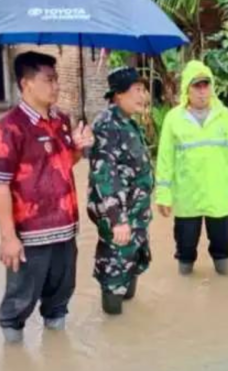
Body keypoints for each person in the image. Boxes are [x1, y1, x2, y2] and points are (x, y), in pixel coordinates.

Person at [0, 51, 94, 343]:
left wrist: (79, 147)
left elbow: (62, 164)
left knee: (60, 297)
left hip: (65, 227)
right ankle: (13, 353)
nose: (56, 86)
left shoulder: (61, 120)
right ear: (26, 84)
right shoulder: (6, 128)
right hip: (31, 234)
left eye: (56, 79)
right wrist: (8, 237)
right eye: (49, 80)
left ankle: (57, 351)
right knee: (19, 301)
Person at [155, 60, 228, 276]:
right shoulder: (173, 119)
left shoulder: (225, 116)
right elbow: (165, 160)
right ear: (187, 88)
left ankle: (223, 285)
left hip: (219, 195)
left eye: (206, 85)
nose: (202, 91)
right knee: (185, 250)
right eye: (197, 86)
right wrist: (163, 195)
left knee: (222, 249)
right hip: (188, 196)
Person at [87, 67, 154, 315]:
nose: (143, 96)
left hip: (135, 213)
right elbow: (105, 176)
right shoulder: (107, 125)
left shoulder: (128, 122)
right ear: (118, 95)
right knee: (115, 272)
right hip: (120, 218)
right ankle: (114, 328)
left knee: (132, 263)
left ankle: (129, 334)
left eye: (143, 90)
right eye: (136, 90)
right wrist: (117, 220)